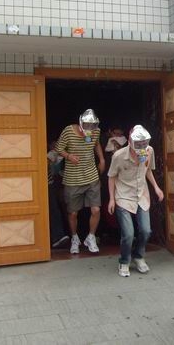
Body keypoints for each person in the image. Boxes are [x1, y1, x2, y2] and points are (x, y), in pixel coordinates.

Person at [107, 125, 164, 277]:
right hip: (123, 196)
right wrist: (111, 199)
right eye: (138, 144)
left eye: (144, 143)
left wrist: (156, 188)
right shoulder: (118, 156)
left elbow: (148, 170)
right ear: (130, 143)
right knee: (128, 234)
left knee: (146, 230)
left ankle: (138, 256)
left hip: (141, 195)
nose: (142, 147)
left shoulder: (149, 151)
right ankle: (124, 260)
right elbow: (111, 177)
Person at [55, 109, 106, 254]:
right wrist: (68, 156)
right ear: (81, 123)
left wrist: (102, 159)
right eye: (87, 125)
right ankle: (74, 238)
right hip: (73, 178)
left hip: (91, 175)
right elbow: (59, 148)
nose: (90, 129)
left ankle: (91, 237)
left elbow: (96, 144)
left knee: (96, 209)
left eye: (92, 126)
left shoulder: (96, 131)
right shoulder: (69, 131)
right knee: (73, 213)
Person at [47, 141, 69, 248]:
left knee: (55, 210)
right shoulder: (50, 155)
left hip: (51, 184)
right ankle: (55, 237)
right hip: (43, 186)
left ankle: (58, 236)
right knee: (52, 211)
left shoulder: (59, 155)